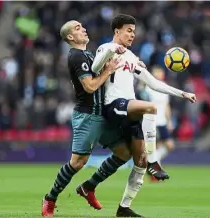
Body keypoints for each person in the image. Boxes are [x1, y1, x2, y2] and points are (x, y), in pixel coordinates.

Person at [79, 13, 196, 215]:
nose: (132, 35)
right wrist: (111, 52)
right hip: (113, 105)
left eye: (134, 31)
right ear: (117, 31)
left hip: (129, 109)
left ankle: (123, 207)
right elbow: (95, 68)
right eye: (129, 30)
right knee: (150, 108)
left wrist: (181, 93)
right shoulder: (106, 48)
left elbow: (153, 82)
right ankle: (153, 160)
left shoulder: (132, 57)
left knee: (138, 163)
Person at [41, 20, 145, 217]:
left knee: (124, 153)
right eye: (78, 28)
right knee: (78, 163)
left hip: (103, 114)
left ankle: (88, 187)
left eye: (82, 26)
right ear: (70, 37)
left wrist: (132, 64)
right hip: (88, 115)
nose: (84, 29)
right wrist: (108, 70)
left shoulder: (89, 54)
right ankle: (50, 198)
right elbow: (89, 86)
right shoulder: (76, 55)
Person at [143, 66, 176, 181]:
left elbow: (166, 106)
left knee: (169, 146)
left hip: (162, 121)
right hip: (152, 121)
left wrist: (169, 121)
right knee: (156, 146)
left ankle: (152, 165)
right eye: (157, 72)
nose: (159, 74)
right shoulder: (148, 89)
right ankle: (155, 171)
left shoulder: (164, 88)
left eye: (160, 72)